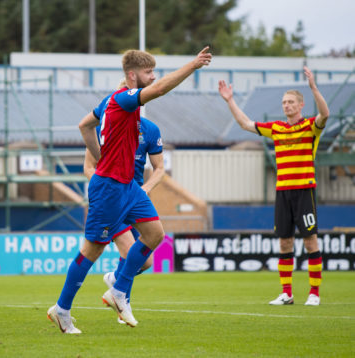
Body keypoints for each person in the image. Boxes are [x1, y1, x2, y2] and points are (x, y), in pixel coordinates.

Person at [47, 47, 211, 334]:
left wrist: (100, 156)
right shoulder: (122, 99)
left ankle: (119, 290)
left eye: (153, 72)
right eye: (148, 72)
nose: (153, 76)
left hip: (129, 187)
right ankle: (61, 309)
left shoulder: (113, 102)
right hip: (109, 187)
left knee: (155, 234)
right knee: (92, 250)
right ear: (132, 75)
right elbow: (159, 89)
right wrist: (193, 66)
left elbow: (85, 125)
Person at [218, 66, 329, 306]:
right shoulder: (277, 128)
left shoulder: (310, 126)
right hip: (282, 192)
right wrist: (230, 101)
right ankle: (286, 293)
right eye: (284, 102)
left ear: (300, 105)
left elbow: (325, 114)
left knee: (310, 241)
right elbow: (246, 124)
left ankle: (314, 293)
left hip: (304, 190)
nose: (286, 105)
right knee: (284, 242)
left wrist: (314, 88)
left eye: (290, 102)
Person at [84, 79, 165, 324]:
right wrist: (104, 182)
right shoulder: (107, 126)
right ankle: (118, 300)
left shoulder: (150, 130)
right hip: (111, 195)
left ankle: (116, 284)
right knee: (123, 251)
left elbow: (160, 168)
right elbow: (89, 166)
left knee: (146, 260)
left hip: (134, 195)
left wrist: (147, 188)